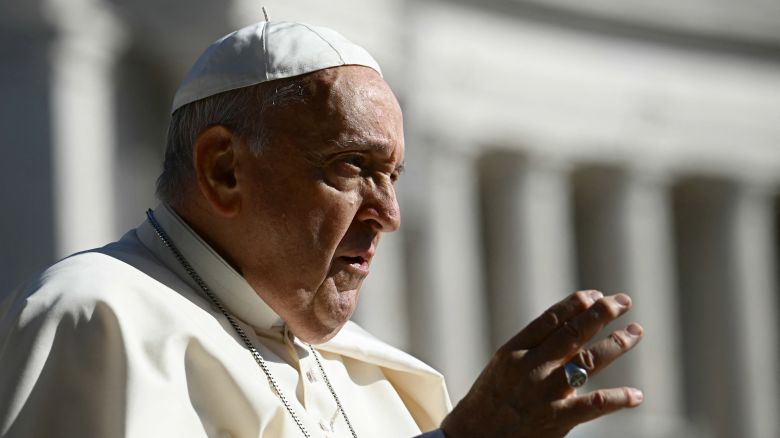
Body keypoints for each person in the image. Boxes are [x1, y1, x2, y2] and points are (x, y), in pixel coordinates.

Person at [0, 20, 643, 437]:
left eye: (393, 175)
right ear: (224, 169)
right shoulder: (91, 320)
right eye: (352, 167)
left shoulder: (378, 381)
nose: (388, 214)